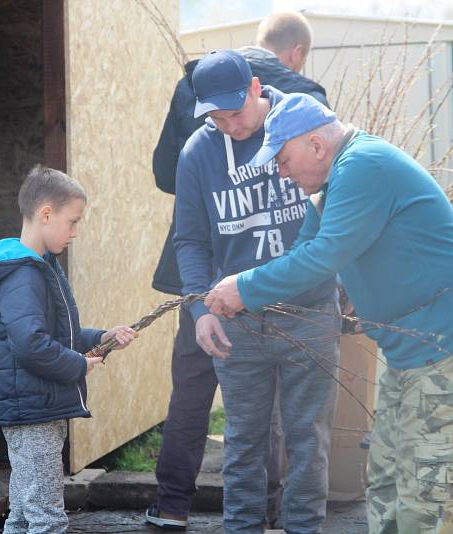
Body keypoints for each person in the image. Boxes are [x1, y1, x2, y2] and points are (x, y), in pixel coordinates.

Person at [205, 93, 453, 534]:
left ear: (316, 145)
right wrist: (242, 293)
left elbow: (324, 256)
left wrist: (245, 287)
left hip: (450, 339)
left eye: (284, 159)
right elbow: (305, 254)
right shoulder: (332, 186)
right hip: (409, 347)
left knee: (430, 489)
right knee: (386, 480)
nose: (282, 172)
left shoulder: (363, 165)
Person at [147, 12, 329, 531]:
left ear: (255, 87)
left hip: (307, 308)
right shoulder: (199, 150)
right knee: (244, 442)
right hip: (233, 314)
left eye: (234, 113)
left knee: (306, 437)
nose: (229, 124)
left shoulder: (305, 123)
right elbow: (189, 237)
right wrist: (202, 306)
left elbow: (336, 214)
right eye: (216, 117)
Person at [0, 165, 137, 534]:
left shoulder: (40, 266)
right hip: (33, 412)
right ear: (46, 214)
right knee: (46, 517)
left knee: (25, 515)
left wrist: (102, 337)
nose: (75, 232)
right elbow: (31, 345)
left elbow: (59, 333)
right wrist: (78, 365)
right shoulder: (22, 274)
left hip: (35, 406)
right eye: (72, 221)